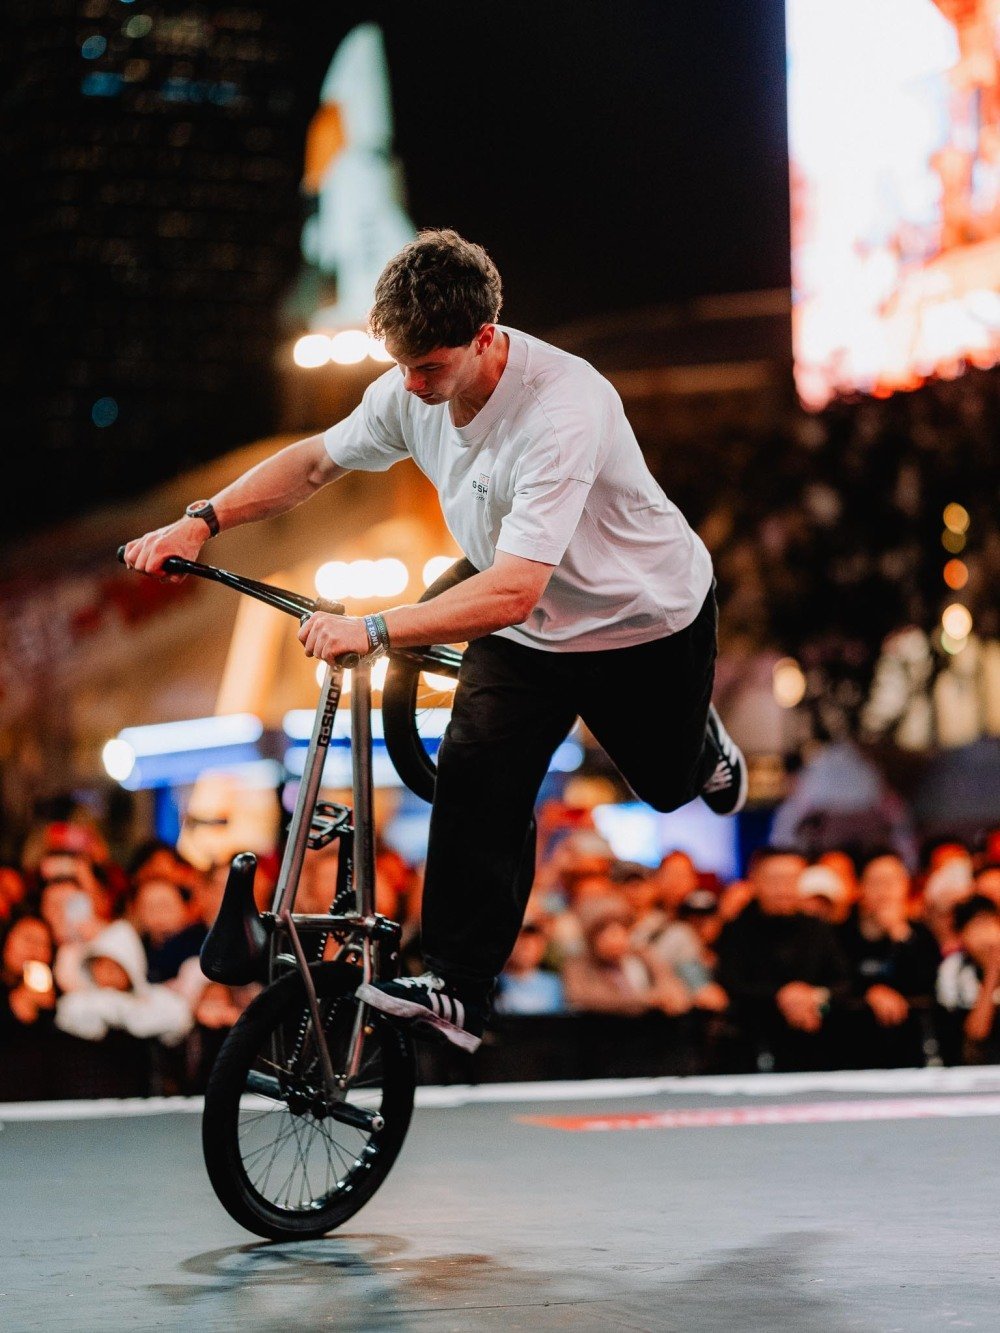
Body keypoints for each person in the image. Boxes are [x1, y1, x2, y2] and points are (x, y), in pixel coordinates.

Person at [124, 228, 748, 1053]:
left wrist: (373, 627)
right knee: (478, 775)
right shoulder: (407, 389)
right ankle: (458, 985)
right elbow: (314, 464)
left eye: (430, 367)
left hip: (640, 619)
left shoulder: (564, 405)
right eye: (403, 366)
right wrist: (201, 521)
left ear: (486, 338)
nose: (414, 387)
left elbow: (515, 586)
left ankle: (702, 743)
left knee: (668, 786)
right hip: (526, 625)